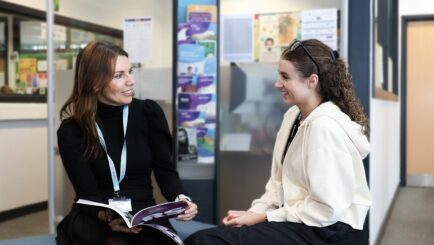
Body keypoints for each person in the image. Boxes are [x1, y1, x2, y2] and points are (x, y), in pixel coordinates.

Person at [185, 39, 371, 245]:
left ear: (312, 81)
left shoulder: (324, 127)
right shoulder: (293, 116)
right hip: (301, 220)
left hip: (329, 230)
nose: (277, 84)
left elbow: (327, 208)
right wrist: (253, 213)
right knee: (212, 236)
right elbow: (277, 186)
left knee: (204, 242)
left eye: (285, 77)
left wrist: (265, 217)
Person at [56, 41, 198, 245]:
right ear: (95, 82)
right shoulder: (73, 130)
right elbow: (86, 193)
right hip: (96, 214)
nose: (131, 81)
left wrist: (181, 199)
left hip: (144, 213)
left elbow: (165, 171)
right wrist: (107, 217)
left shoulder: (149, 113)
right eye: (119, 75)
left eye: (130, 72)